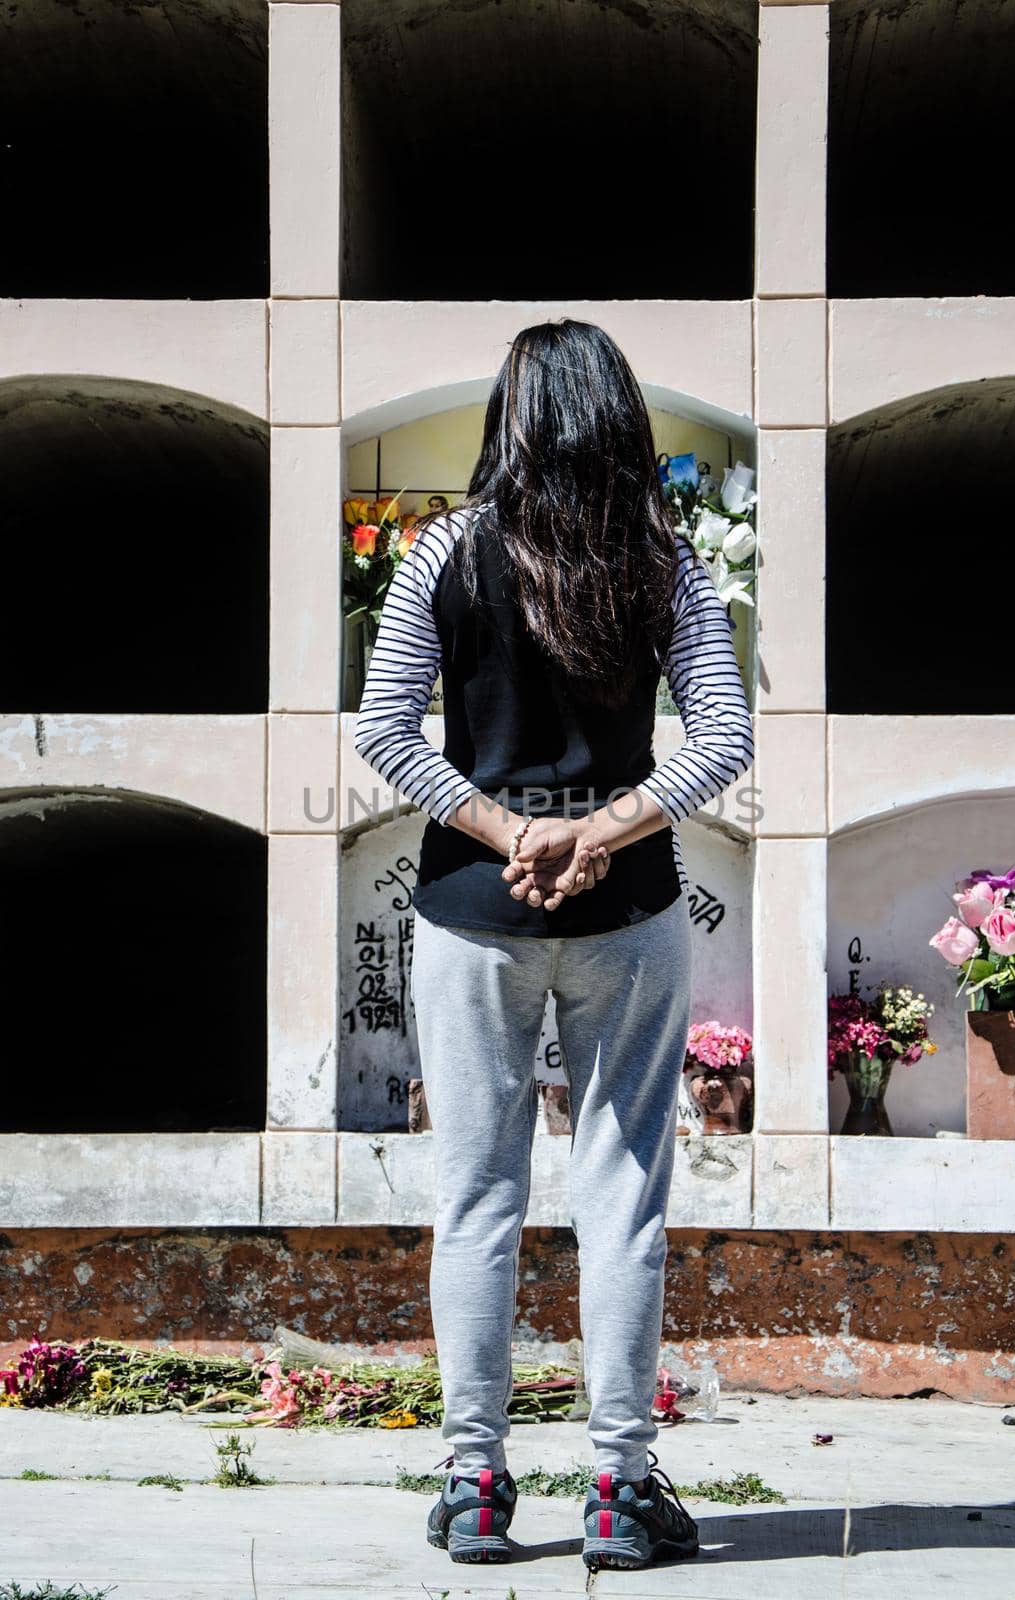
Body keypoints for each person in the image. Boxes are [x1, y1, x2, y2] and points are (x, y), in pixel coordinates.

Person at [352, 318, 755, 1571]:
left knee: (475, 1196)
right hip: (627, 911)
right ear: (619, 419)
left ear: (511, 421)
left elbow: (383, 732)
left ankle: (474, 1484)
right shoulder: (664, 562)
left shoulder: (438, 556)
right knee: (621, 1197)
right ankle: (620, 1489)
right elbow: (720, 738)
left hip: (470, 912)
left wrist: (505, 827)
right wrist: (598, 832)